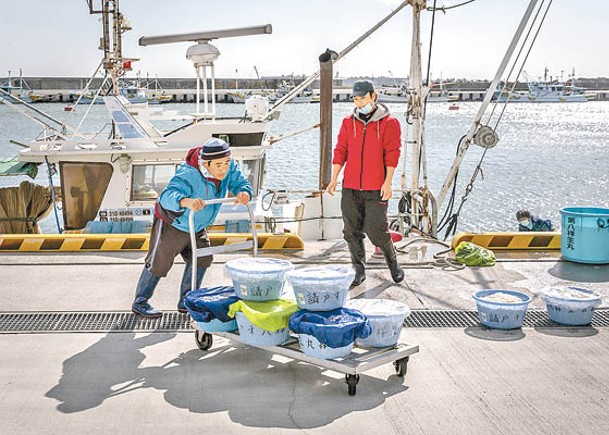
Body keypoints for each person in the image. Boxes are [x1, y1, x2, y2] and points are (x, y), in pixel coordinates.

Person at [131, 138, 252, 318]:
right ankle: (140, 302)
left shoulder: (229, 166)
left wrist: (244, 193)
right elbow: (167, 196)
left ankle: (187, 300)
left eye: (226, 163)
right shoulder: (189, 173)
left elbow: (241, 182)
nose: (223, 168)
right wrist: (185, 201)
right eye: (218, 165)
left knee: (203, 258)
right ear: (206, 163)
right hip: (174, 223)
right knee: (158, 263)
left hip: (198, 225)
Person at [327, 79, 404, 288]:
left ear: (373, 96)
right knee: (351, 231)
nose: (359, 103)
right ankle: (359, 270)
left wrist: (388, 183)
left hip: (375, 188)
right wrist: (334, 178)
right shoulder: (348, 122)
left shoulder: (389, 123)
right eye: (355, 99)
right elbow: (340, 150)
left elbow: (392, 154)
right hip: (351, 187)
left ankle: (393, 262)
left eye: (362, 98)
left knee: (376, 230)